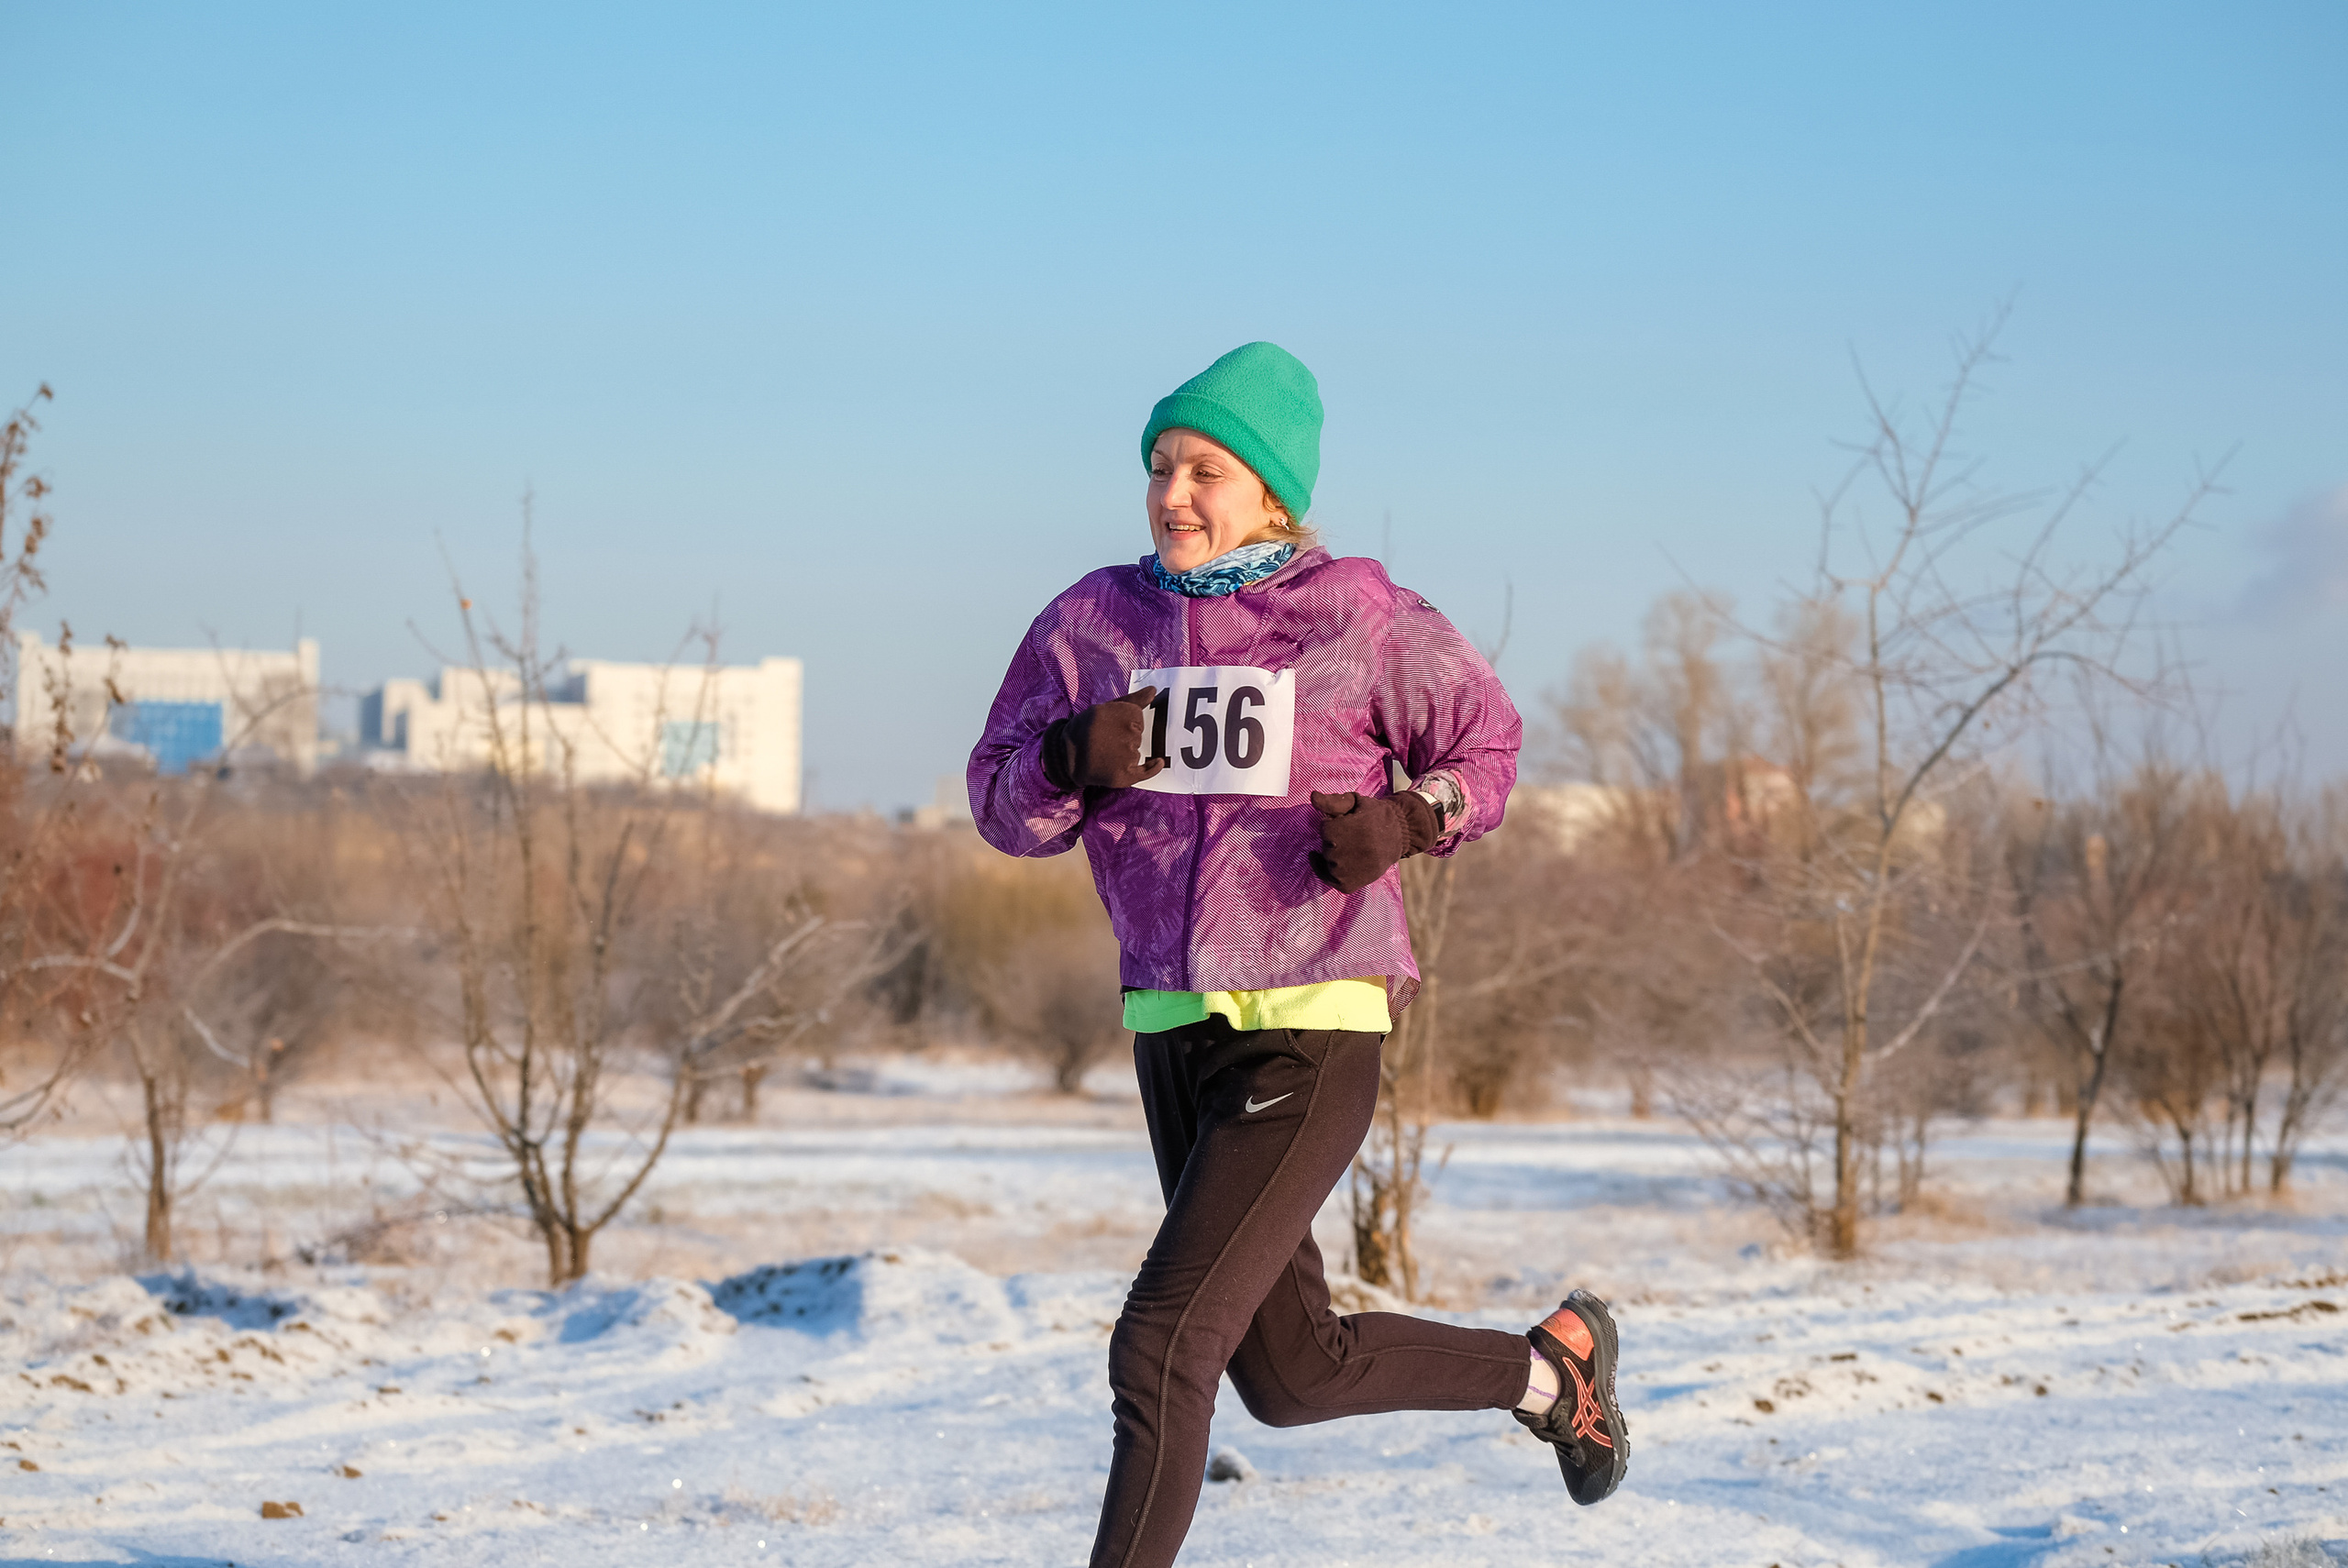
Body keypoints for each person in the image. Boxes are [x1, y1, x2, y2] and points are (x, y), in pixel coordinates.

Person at [968, 341, 1627, 1568]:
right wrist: (1065, 758)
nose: (1172, 492)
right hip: (1172, 1027)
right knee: (1287, 1370)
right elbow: (999, 801)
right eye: (1160, 465)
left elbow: (1487, 749)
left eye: (1205, 469)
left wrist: (1410, 820)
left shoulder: (1360, 616)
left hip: (1312, 1019)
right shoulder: (1094, 625)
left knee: (1161, 1345)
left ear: (1272, 491)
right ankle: (1550, 1374)